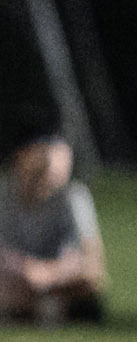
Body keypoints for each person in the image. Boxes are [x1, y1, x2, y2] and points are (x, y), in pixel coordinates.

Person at [0, 131, 106, 325]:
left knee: (86, 283)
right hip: (17, 277)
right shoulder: (4, 195)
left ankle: (38, 311)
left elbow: (92, 263)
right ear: (22, 159)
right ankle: (44, 311)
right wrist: (26, 270)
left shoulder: (74, 197)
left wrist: (47, 274)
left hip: (59, 279)